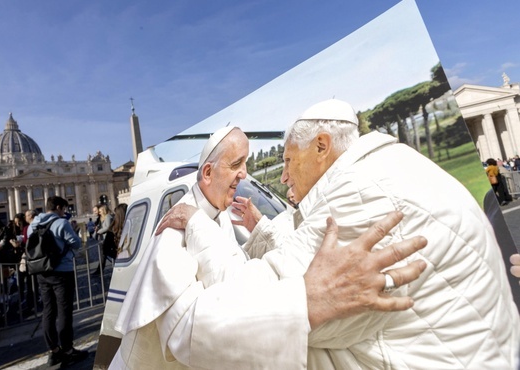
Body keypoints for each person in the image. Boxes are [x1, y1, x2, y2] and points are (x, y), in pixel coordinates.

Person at [196, 100, 520, 368]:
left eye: (289, 160)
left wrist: (198, 227)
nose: (282, 176)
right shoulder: (389, 166)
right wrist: (261, 230)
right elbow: (305, 256)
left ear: (321, 146)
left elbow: (255, 312)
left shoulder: (363, 192)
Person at [110, 126, 428, 369]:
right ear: (207, 173)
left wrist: (259, 227)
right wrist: (305, 304)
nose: (244, 174)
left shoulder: (215, 213)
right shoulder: (176, 226)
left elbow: (245, 269)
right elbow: (186, 331)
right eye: (237, 164)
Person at [28, 196, 88, 367]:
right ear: (59, 207)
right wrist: (73, 230)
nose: (65, 212)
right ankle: (68, 350)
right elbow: (76, 244)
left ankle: (53, 351)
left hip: (42, 271)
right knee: (64, 311)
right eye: (64, 209)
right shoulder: (61, 223)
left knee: (48, 310)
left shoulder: (34, 225)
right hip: (62, 271)